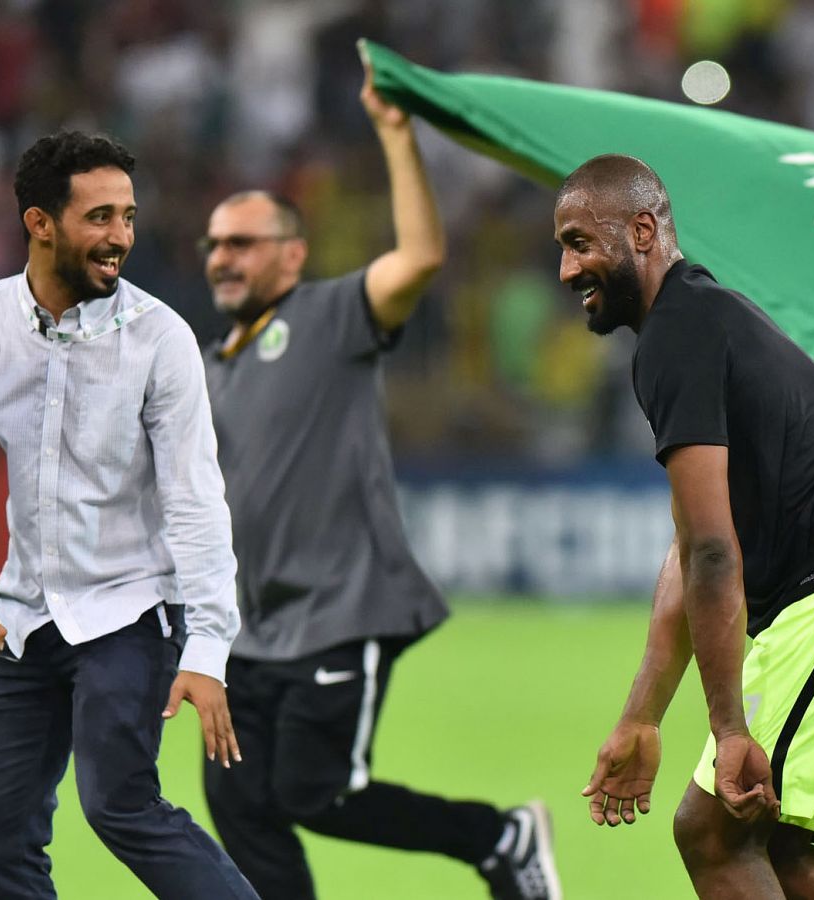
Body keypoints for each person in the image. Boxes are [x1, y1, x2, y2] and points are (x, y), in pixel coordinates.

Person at [556, 153, 814, 899]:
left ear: (644, 231)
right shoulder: (698, 318)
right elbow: (691, 546)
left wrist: (728, 731)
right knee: (771, 845)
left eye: (580, 242)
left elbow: (717, 554)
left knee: (714, 831)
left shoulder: (675, 336)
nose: (566, 269)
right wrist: (641, 718)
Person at [196, 56, 560, 900]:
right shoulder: (213, 364)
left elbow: (423, 257)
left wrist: (397, 134)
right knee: (238, 799)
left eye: (242, 242)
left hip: (341, 607)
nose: (222, 257)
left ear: (292, 254)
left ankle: (499, 837)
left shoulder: (328, 317)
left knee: (316, 791)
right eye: (214, 243)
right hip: (252, 629)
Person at [0, 130, 256, 899]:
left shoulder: (161, 339)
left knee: (119, 804)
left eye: (128, 218)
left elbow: (196, 499)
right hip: (22, 617)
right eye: (100, 218)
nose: (121, 238)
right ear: (40, 223)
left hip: (129, 613)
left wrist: (207, 648)